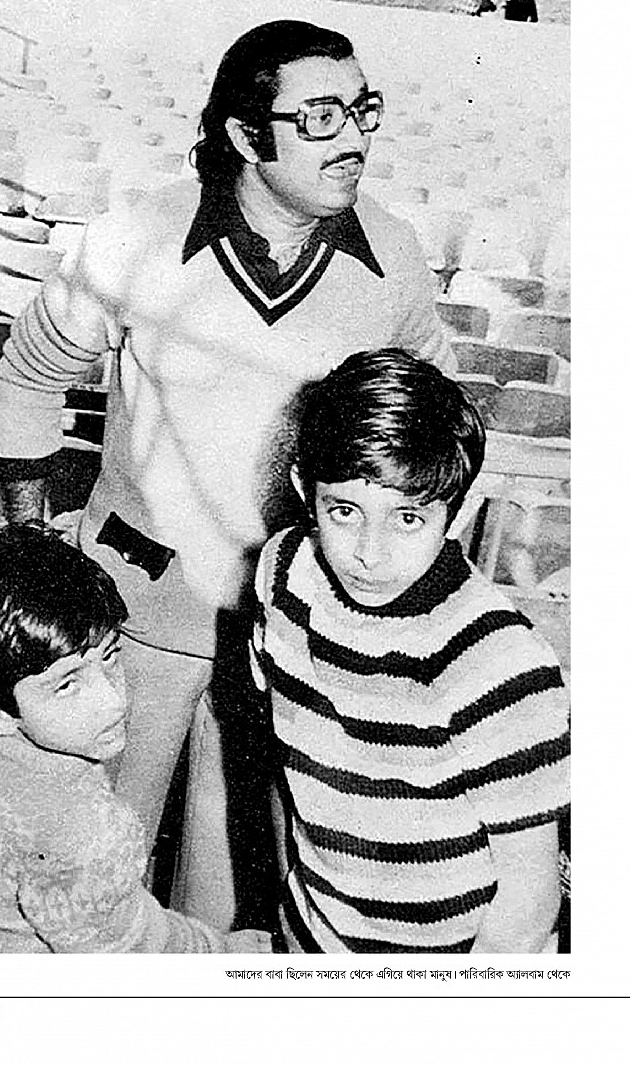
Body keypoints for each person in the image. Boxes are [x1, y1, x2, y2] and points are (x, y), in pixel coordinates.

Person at [0, 19, 456, 929]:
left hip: (293, 634)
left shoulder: (393, 252)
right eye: (319, 117)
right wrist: (30, 540)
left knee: (233, 905)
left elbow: (432, 417)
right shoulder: (136, 236)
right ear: (246, 134)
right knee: (83, 886)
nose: (354, 138)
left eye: (361, 110)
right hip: (131, 618)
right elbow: (32, 375)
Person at [251, 349, 570, 952]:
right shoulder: (283, 574)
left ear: (457, 512)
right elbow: (287, 762)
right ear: (304, 491)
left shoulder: (500, 661)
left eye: (406, 519)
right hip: (309, 935)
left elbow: (528, 901)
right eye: (344, 512)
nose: (369, 553)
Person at [0, 524, 272, 953]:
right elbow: (134, 952)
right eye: (67, 684)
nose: (113, 701)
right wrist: (239, 953)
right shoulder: (83, 838)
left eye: (109, 656)